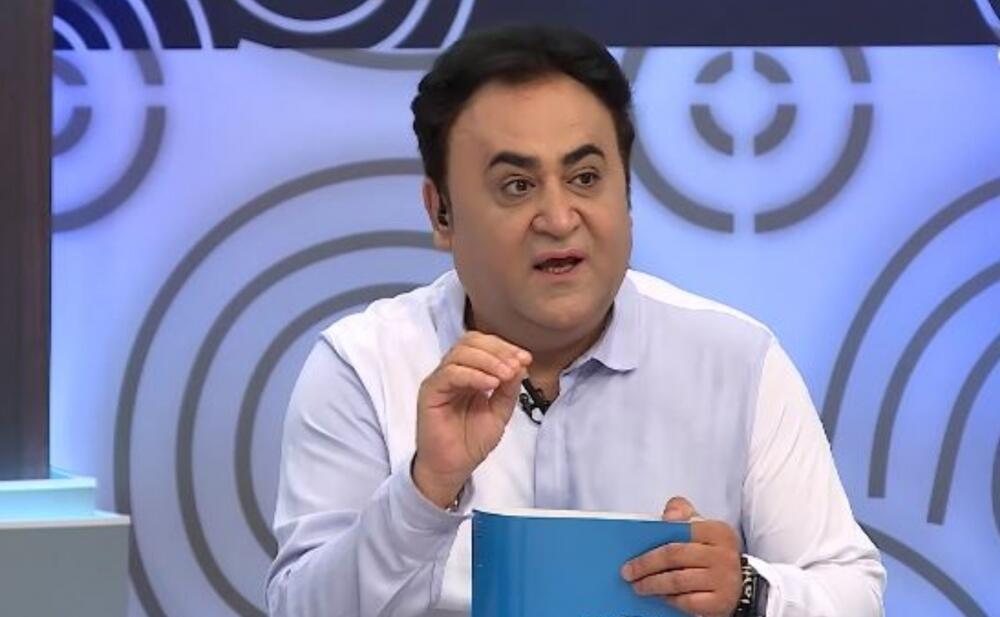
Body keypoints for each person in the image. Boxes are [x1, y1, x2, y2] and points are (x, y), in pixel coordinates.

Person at [265, 25, 885, 617]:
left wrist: (747, 590)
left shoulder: (734, 360)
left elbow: (854, 594)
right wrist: (424, 490)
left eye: (586, 178)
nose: (559, 218)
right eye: (516, 186)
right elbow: (298, 609)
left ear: (626, 193)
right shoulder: (365, 365)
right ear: (441, 213)